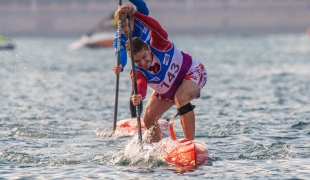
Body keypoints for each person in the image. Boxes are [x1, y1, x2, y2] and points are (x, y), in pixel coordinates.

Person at [118, 4, 208, 143]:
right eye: (137, 61)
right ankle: (156, 149)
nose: (143, 63)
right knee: (148, 117)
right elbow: (140, 84)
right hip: (168, 91)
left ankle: (190, 144)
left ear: (148, 48)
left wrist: (136, 15)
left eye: (144, 57)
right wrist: (139, 96)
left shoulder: (159, 44)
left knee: (181, 97)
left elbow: (155, 27)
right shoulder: (137, 72)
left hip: (193, 72)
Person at [113, 0, 150, 118]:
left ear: (132, 20)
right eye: (121, 26)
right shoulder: (119, 36)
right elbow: (121, 51)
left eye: (125, 25)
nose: (124, 30)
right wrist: (120, 65)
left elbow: (142, 6)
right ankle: (135, 120)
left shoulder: (141, 20)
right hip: (140, 64)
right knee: (135, 92)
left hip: (154, 57)